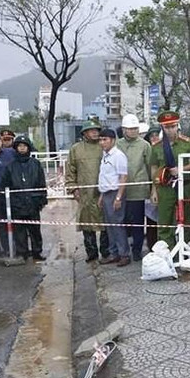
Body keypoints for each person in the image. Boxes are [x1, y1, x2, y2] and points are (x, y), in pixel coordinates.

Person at [150, 110, 190, 250]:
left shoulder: (187, 144)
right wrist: (154, 190)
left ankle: (188, 249)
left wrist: (181, 169)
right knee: (165, 220)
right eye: (167, 127)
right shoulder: (157, 146)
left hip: (184, 185)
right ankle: (167, 250)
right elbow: (154, 167)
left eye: (173, 126)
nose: (170, 130)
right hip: (164, 187)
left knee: (187, 219)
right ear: (162, 128)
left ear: (177, 126)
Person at [65, 120, 110, 262]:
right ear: (84, 133)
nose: (95, 133)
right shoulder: (76, 149)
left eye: (97, 130)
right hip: (84, 193)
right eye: (91, 130)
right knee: (87, 224)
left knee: (105, 223)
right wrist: (73, 188)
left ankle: (106, 251)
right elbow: (70, 170)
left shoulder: (105, 146)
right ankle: (91, 252)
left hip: (103, 191)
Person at [1, 135, 47, 262]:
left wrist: (42, 199)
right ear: (16, 148)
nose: (22, 148)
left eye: (24, 146)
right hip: (17, 203)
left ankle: (37, 252)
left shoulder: (35, 164)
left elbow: (41, 183)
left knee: (35, 230)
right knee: (19, 231)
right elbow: (5, 184)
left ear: (28, 147)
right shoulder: (10, 166)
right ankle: (22, 252)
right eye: (19, 146)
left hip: (33, 202)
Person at [117, 114, 151, 261]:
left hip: (139, 188)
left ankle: (137, 249)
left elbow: (150, 166)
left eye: (135, 129)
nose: (132, 131)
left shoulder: (145, 145)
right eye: (129, 129)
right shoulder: (118, 145)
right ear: (124, 129)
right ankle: (122, 250)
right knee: (122, 221)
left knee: (138, 221)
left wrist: (151, 188)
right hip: (121, 190)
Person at [97, 128, 130, 266]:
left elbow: (123, 176)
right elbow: (104, 177)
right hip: (106, 193)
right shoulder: (105, 155)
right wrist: (101, 196)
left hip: (115, 193)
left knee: (117, 224)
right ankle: (113, 253)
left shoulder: (118, 155)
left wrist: (118, 197)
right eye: (101, 140)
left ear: (113, 140)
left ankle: (124, 254)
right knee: (109, 226)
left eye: (105, 140)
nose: (102, 142)